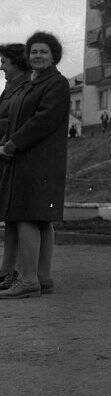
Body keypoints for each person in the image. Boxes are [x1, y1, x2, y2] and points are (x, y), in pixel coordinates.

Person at [0, 32, 70, 298]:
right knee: (40, 219)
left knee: (27, 215)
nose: (37, 56)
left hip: (37, 159)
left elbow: (42, 121)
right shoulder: (35, 83)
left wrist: (12, 144)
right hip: (30, 158)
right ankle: (42, 277)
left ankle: (28, 281)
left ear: (54, 56)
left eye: (43, 51)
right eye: (33, 52)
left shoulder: (57, 84)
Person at [0, 43, 32, 290]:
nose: (1, 67)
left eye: (4, 63)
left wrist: (6, 145)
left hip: (13, 156)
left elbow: (17, 124)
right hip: (4, 155)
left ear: (17, 64)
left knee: (19, 218)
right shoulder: (10, 88)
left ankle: (18, 274)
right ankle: (6, 271)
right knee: (9, 218)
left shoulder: (26, 87)